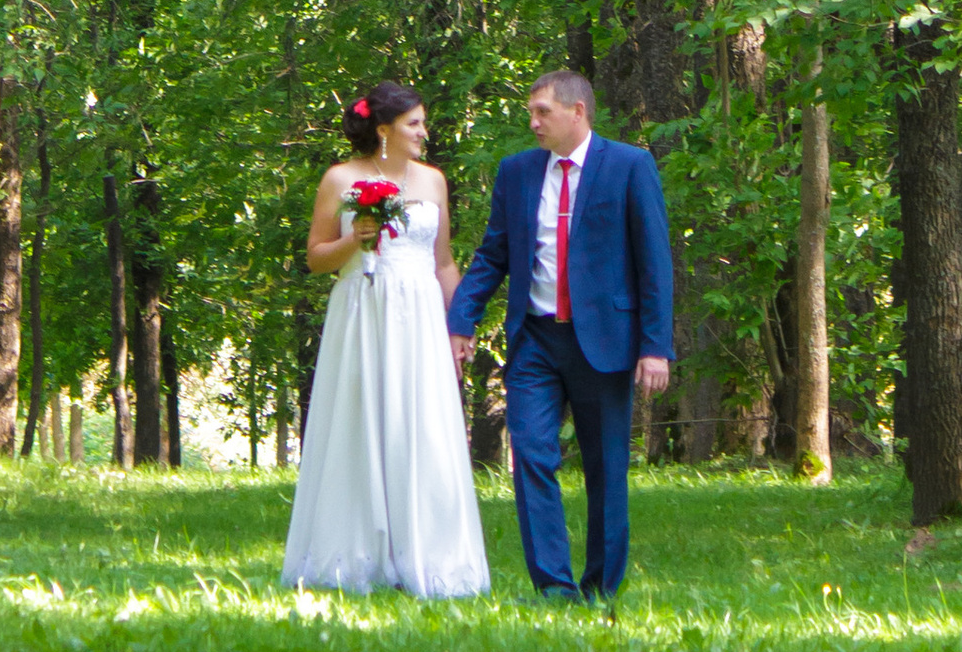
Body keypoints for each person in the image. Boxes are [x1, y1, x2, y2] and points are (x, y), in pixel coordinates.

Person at [449, 68, 672, 603]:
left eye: (542, 112)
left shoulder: (629, 165)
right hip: (536, 341)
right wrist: (461, 319)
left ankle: (601, 586)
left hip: (606, 342)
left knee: (605, 467)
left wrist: (655, 345)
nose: (533, 123)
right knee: (530, 453)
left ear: (578, 112)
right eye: (531, 112)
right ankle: (554, 585)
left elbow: (655, 262)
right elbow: (493, 254)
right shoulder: (518, 173)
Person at [281, 81, 490, 598]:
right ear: (383, 131)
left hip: (419, 315)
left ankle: (429, 555)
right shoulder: (340, 179)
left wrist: (459, 324)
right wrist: (356, 237)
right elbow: (314, 257)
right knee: (361, 423)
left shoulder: (434, 182)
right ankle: (355, 556)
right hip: (362, 312)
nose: (424, 132)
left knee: (421, 426)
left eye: (423, 122)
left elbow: (442, 262)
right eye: (414, 124)